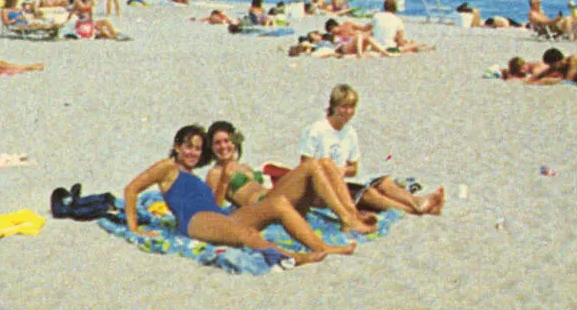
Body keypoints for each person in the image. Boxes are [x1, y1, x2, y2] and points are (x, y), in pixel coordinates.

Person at [121, 125, 341, 266]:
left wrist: (224, 183)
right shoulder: (168, 167)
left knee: (280, 204)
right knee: (244, 233)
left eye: (197, 149)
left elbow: (215, 204)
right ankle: (292, 257)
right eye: (188, 147)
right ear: (177, 146)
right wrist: (134, 228)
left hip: (217, 215)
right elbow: (131, 189)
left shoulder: (195, 176)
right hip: (194, 221)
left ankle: (321, 246)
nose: (193, 153)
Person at [204, 120, 376, 234]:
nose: (223, 146)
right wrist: (225, 181)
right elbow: (215, 208)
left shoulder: (244, 166)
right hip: (264, 207)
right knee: (311, 165)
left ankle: (352, 214)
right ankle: (346, 220)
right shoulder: (215, 173)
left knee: (326, 162)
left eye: (227, 141)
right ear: (211, 148)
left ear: (235, 142)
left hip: (280, 202)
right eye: (217, 143)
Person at [299, 84, 444, 216]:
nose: (348, 112)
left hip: (340, 180)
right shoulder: (316, 131)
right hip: (321, 188)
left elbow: (353, 168)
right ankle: (414, 210)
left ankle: (416, 202)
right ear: (333, 106)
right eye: (344, 107)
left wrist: (342, 170)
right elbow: (305, 168)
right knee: (368, 194)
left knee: (384, 182)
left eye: (352, 107)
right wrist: (331, 171)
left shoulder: (349, 132)